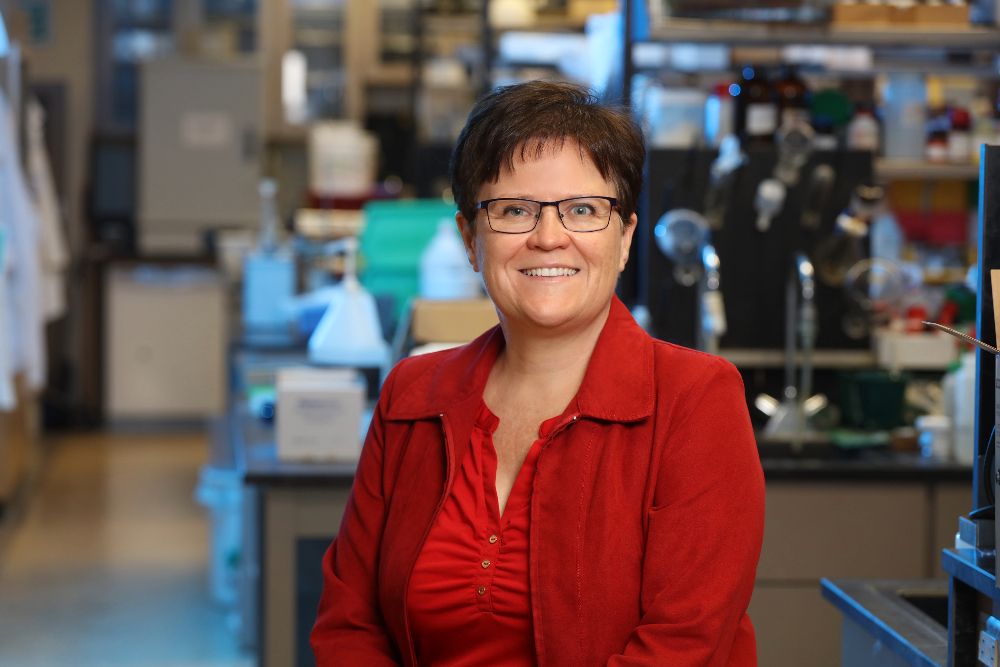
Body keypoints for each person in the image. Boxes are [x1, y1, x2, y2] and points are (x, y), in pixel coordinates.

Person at [311, 80, 765, 666]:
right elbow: (349, 623)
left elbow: (683, 644)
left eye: (583, 210)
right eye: (514, 211)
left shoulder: (695, 400)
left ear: (624, 237)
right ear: (469, 240)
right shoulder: (412, 396)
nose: (549, 239)